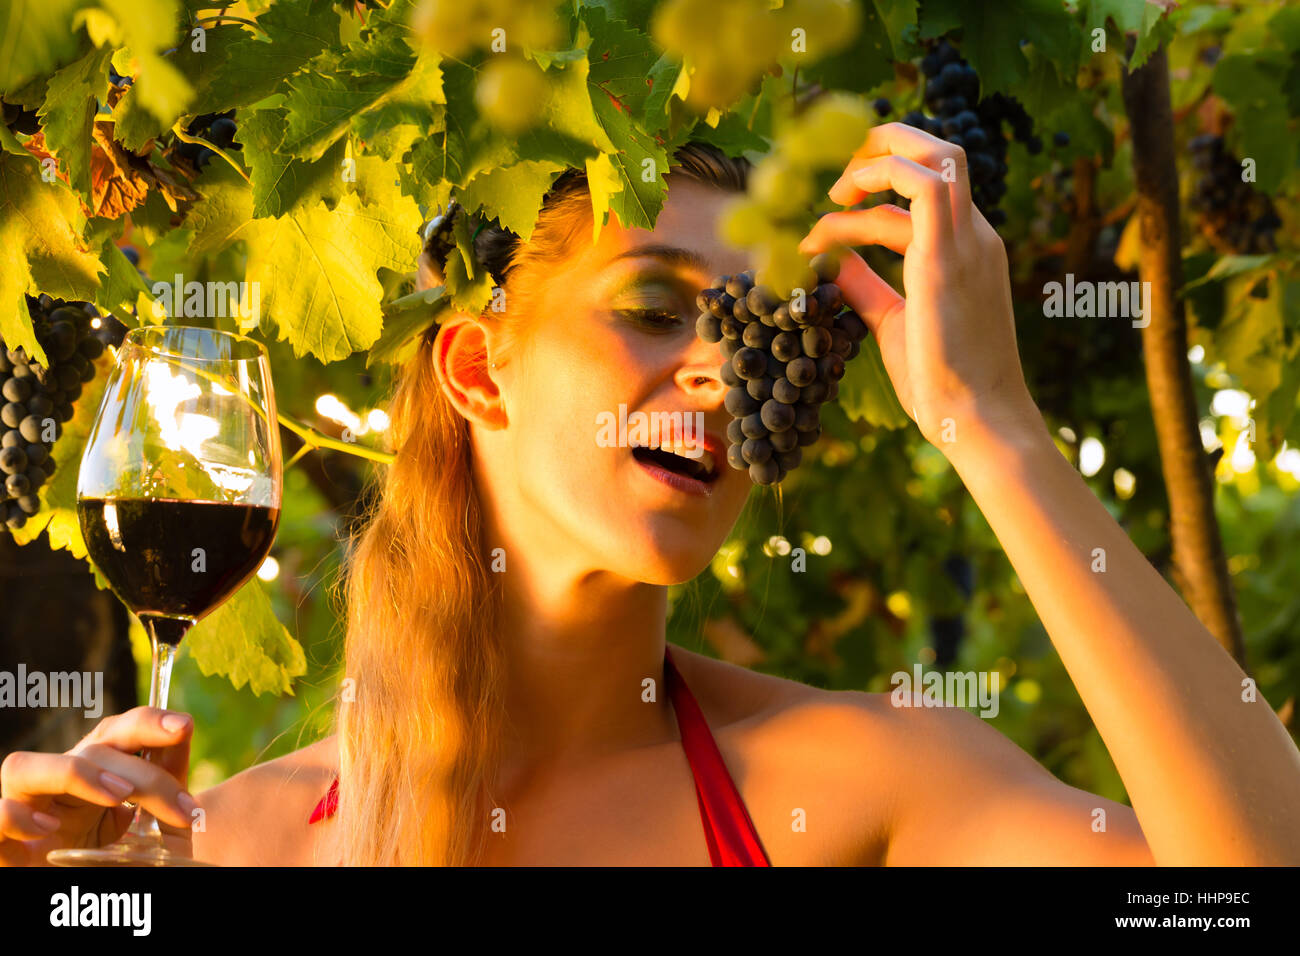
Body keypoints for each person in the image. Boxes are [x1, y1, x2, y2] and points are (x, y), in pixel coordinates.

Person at [3, 126, 1298, 866]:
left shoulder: (859, 784)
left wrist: (991, 424)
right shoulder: (225, 847)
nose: (727, 367)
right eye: (657, 307)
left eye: (752, 326)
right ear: (478, 366)